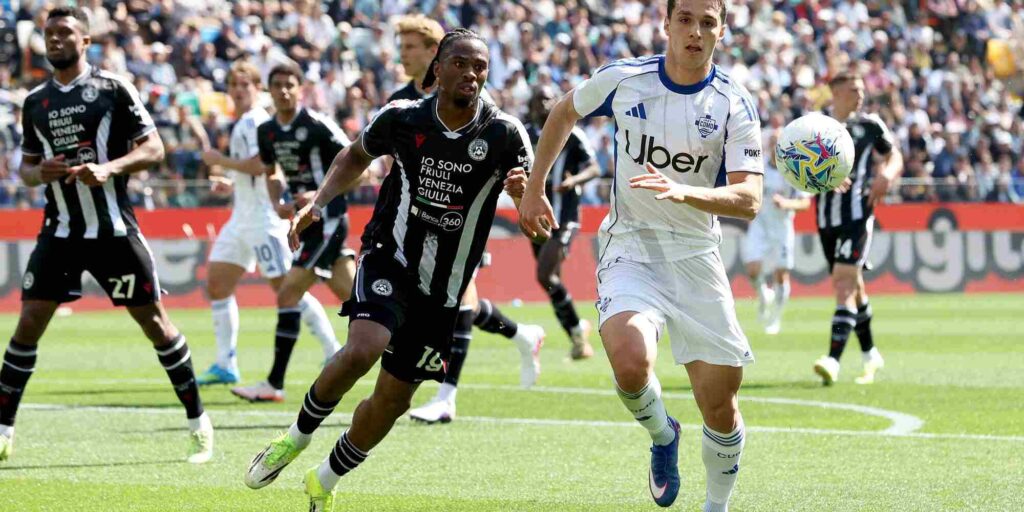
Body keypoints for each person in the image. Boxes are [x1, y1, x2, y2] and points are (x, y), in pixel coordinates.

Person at [243, 29, 533, 510]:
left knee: (393, 401)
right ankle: (294, 438)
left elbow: (536, 224)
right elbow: (356, 154)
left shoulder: (505, 134)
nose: (471, 73)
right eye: (460, 63)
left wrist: (526, 199)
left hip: (443, 291)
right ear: (436, 70)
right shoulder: (402, 117)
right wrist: (318, 202)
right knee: (364, 347)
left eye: (480, 65)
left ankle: (325, 480)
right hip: (389, 255)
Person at [518, 0, 764, 509]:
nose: (695, 32)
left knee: (719, 405)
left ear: (722, 29)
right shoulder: (625, 79)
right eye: (684, 20)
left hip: (697, 254)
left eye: (706, 22)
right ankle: (663, 435)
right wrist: (535, 186)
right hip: (631, 246)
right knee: (631, 363)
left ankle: (714, 507)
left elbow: (750, 199)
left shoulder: (733, 104)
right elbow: (564, 111)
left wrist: (685, 191)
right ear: (666, 24)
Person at [0, 6, 212, 464]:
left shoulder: (113, 89)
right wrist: (43, 171)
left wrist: (109, 168)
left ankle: (198, 423)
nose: (54, 40)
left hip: (114, 230)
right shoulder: (35, 102)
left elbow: (154, 147)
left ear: (86, 41)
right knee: (28, 326)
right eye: (48, 33)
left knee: (155, 324)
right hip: (59, 231)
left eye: (64, 33)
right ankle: (2, 431)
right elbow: (26, 170)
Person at [389, 15, 544, 426]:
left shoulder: (476, 107)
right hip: (411, 225)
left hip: (460, 224)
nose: (402, 55)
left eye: (410, 48)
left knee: (459, 298)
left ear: (433, 54)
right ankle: (521, 334)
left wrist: (519, 190)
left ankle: (447, 395)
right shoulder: (405, 101)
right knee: (461, 302)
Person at [195, 61, 341, 387]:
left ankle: (332, 348)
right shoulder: (244, 123)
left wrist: (221, 162)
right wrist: (231, 183)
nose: (238, 90)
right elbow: (256, 171)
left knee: (287, 289)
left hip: (263, 219)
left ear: (258, 89)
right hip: (240, 217)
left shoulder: (258, 121)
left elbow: (262, 166)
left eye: (245, 84)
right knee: (217, 282)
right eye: (233, 84)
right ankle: (225, 363)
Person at [229, 63, 353, 403]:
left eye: (290, 85)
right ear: (269, 90)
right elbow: (270, 172)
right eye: (277, 85)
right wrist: (278, 201)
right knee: (358, 300)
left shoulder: (316, 125)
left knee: (287, 293)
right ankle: (407, 348)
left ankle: (274, 383)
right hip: (303, 222)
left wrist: (317, 194)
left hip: (327, 219)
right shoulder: (267, 130)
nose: (283, 91)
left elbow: (359, 167)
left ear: (300, 89)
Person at [812, 71, 901, 386]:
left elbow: (894, 156)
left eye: (862, 89)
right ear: (834, 92)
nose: (860, 95)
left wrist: (887, 174)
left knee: (843, 283)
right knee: (855, 286)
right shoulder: (816, 126)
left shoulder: (870, 125)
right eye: (853, 89)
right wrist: (822, 176)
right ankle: (870, 354)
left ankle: (832, 360)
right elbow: (793, 163)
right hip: (825, 218)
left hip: (858, 214)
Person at [524, 85, 600, 357]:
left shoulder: (572, 133)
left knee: (545, 274)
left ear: (556, 101)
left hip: (563, 216)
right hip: (534, 217)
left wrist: (573, 180)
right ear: (531, 105)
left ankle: (578, 332)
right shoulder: (524, 134)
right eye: (537, 99)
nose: (542, 103)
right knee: (549, 280)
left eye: (547, 98)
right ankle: (578, 333)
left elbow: (594, 168)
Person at [741, 130, 811, 335]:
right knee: (753, 270)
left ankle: (776, 318)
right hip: (760, 224)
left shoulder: (794, 169)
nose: (775, 147)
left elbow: (805, 203)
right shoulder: (758, 166)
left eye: (778, 143)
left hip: (782, 227)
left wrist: (786, 203)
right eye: (772, 142)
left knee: (781, 274)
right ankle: (763, 296)